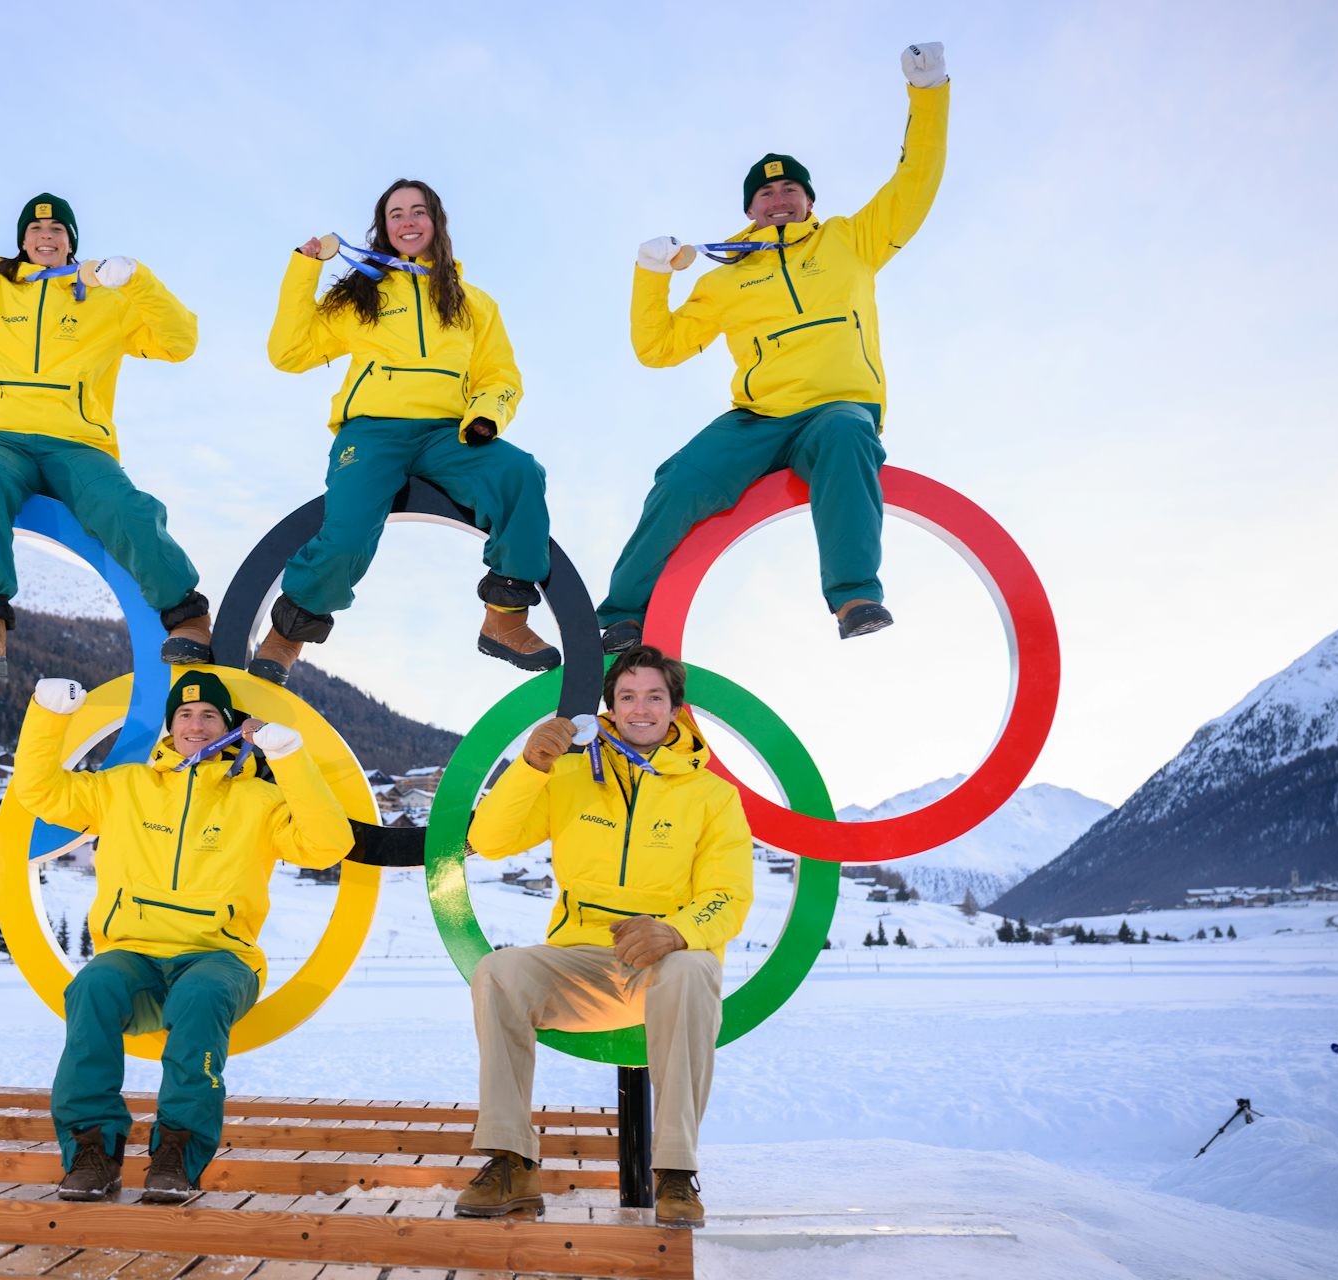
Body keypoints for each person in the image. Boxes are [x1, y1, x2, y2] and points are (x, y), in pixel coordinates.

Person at [599, 43, 950, 652]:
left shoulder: (850, 242)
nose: (779, 198)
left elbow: (915, 182)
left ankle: (855, 596)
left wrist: (929, 92)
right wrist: (651, 274)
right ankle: (624, 615)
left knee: (846, 436)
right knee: (681, 478)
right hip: (758, 419)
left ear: (809, 201)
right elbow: (658, 348)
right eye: (766, 194)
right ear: (749, 209)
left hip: (837, 407)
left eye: (791, 189)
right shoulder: (726, 276)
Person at [10, 669, 353, 1202]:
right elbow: (39, 790)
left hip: (221, 958)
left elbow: (329, 843)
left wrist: (289, 759)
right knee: (91, 988)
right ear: (170, 726)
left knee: (201, 994)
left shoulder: (258, 800)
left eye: (209, 714)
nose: (196, 724)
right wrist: (48, 717)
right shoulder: (122, 786)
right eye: (185, 715)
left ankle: (176, 1155)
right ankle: (91, 1153)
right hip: (134, 957)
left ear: (229, 725)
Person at [457, 645, 753, 1228]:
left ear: (675, 709)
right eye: (627, 696)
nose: (640, 708)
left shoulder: (712, 795)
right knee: (499, 972)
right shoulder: (568, 773)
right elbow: (489, 839)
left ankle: (674, 1173)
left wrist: (676, 931)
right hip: (581, 962)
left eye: (654, 697)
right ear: (610, 709)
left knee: (694, 968)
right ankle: (511, 1161)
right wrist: (529, 766)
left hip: (664, 965)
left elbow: (730, 895)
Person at [0, 165, 214, 677]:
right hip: (2, 440)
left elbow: (179, 341)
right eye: (36, 229)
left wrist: (136, 281)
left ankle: (187, 618)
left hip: (77, 445)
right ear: (21, 240)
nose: (45, 236)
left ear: (71, 242)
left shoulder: (107, 301)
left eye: (57, 229)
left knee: (124, 507)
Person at [253, 178, 558, 684]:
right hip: (373, 432)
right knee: (348, 534)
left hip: (449, 434)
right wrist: (305, 268)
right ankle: (289, 631)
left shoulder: (474, 304)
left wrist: (486, 415)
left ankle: (505, 619)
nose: (408, 221)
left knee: (520, 474)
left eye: (418, 211)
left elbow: (501, 377)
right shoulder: (360, 295)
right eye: (396, 214)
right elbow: (287, 353)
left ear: (436, 222)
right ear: (384, 228)